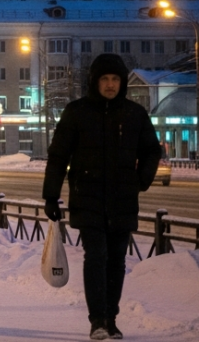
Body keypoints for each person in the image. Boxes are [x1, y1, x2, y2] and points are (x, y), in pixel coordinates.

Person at [43, 54, 161, 341]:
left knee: (117, 260)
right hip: (88, 197)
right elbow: (58, 156)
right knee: (96, 256)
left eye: (115, 79)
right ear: (94, 82)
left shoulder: (134, 114)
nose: (110, 85)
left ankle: (111, 318)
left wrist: (140, 180)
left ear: (122, 83)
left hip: (123, 199)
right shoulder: (77, 112)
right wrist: (51, 195)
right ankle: (97, 320)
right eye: (105, 79)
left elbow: (152, 150)